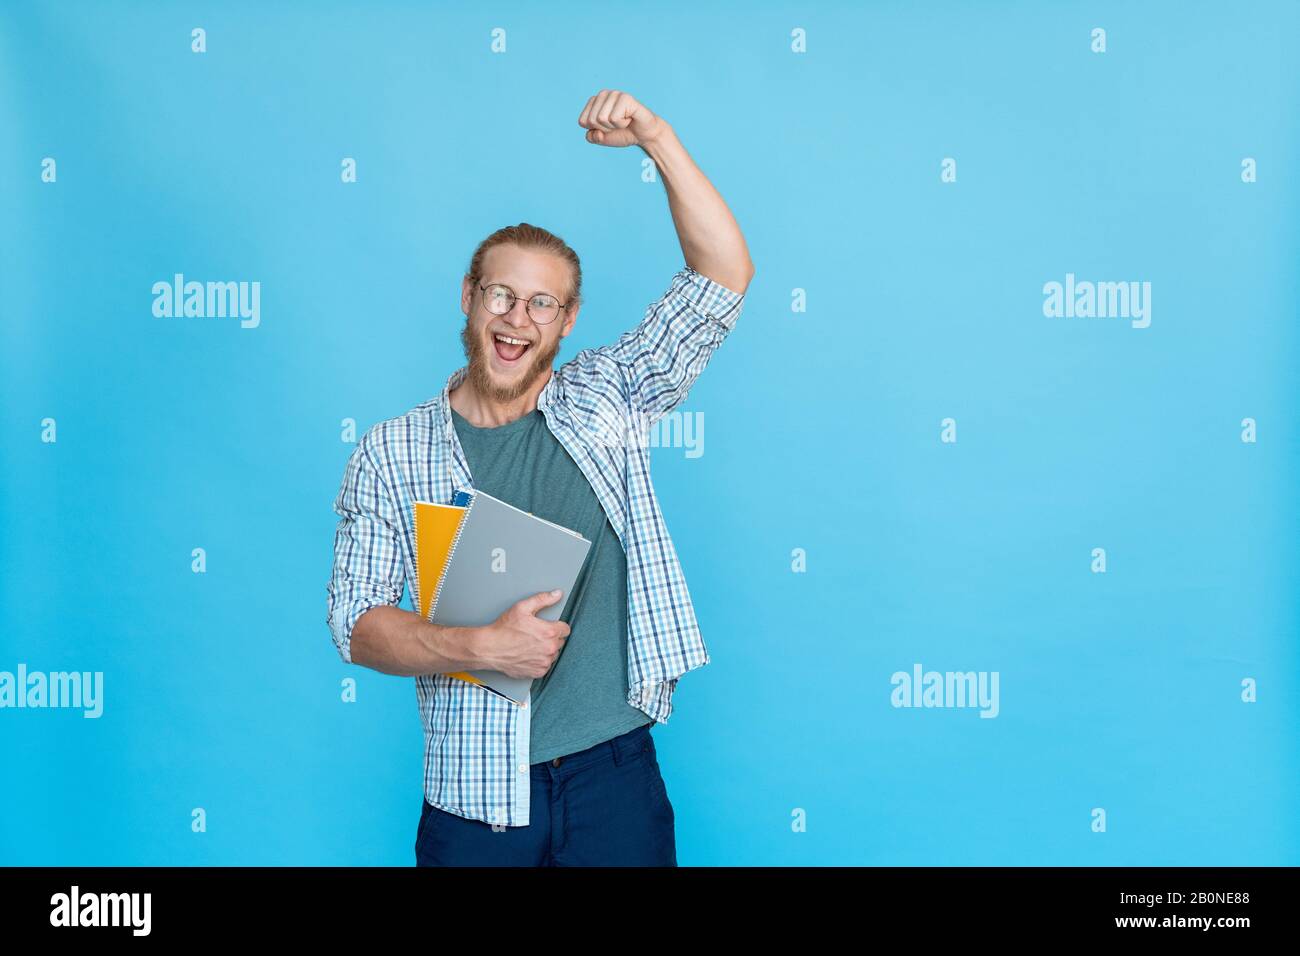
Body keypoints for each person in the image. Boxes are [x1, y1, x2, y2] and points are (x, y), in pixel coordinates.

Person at [326, 89, 755, 866]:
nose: (517, 317)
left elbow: (722, 275)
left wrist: (655, 139)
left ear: (567, 321)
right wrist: (477, 644)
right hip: (473, 795)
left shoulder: (608, 396)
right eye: (501, 293)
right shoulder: (391, 453)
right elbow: (355, 624)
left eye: (541, 303)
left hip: (615, 772)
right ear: (468, 298)